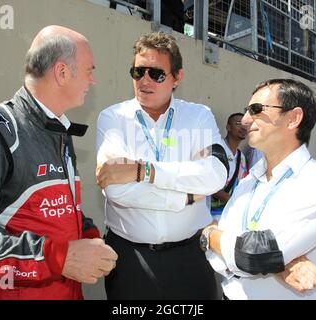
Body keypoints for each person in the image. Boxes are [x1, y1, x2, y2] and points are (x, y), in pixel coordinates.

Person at [0, 25, 117, 300]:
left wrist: (86, 232)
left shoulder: (57, 130)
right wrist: (58, 257)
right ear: (62, 72)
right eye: (90, 70)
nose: (93, 81)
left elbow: (52, 210)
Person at [95, 32, 229, 299]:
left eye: (155, 74)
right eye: (138, 72)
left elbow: (216, 174)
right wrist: (187, 195)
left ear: (177, 77)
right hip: (130, 257)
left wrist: (144, 172)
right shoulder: (113, 117)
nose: (144, 81)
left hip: (190, 255)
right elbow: (116, 191)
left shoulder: (199, 116)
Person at [202, 78, 316, 299]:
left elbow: (255, 253)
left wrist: (209, 234)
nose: (245, 120)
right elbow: (220, 259)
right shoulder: (248, 182)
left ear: (293, 118)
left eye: (255, 110)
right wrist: (276, 264)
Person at [210, 113, 248, 220]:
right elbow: (207, 183)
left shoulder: (242, 157)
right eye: (238, 123)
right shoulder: (216, 149)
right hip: (209, 213)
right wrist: (232, 200)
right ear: (228, 127)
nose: (243, 127)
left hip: (228, 213)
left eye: (245, 124)